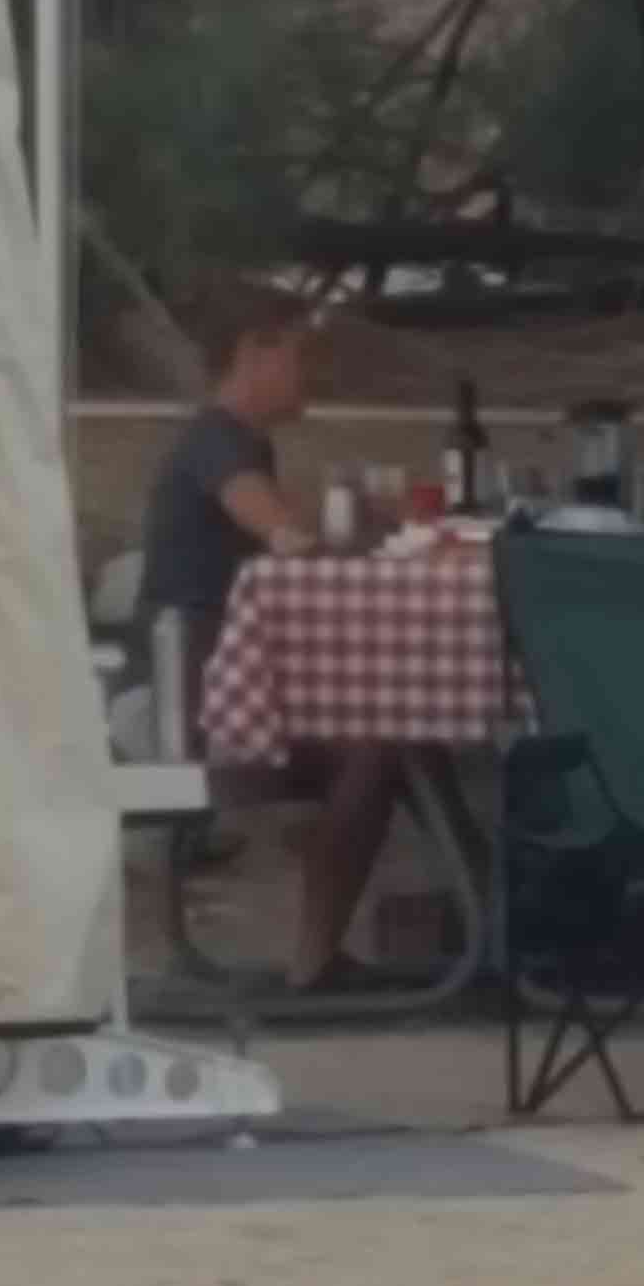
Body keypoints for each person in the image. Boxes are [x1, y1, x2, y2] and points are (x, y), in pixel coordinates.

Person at [135, 286, 401, 990]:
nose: (315, 371)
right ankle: (315, 962)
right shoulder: (219, 442)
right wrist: (354, 546)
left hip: (218, 688)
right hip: (202, 705)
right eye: (301, 354)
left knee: (397, 736)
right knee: (377, 749)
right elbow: (281, 537)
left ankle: (326, 955)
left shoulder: (232, 442)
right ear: (254, 351)